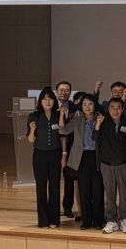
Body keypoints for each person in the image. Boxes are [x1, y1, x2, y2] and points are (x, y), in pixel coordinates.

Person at [59, 94, 104, 230]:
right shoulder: (77, 119)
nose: (87, 107)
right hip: (81, 157)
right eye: (84, 104)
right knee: (84, 190)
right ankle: (86, 220)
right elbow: (63, 130)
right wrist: (61, 115)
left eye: (90, 104)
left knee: (98, 190)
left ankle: (98, 221)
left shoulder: (101, 119)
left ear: (94, 105)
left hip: (97, 157)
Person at [93, 98, 126, 234]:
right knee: (109, 194)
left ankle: (124, 219)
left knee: (124, 194)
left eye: (118, 107)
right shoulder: (103, 122)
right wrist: (98, 125)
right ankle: (111, 220)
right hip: (106, 164)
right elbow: (94, 138)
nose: (115, 110)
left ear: (123, 109)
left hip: (123, 163)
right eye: (112, 107)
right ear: (108, 109)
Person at [26, 87, 63, 228]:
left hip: (55, 154)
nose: (47, 102)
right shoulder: (34, 116)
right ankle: (43, 220)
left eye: (50, 99)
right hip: (40, 155)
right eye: (45, 99)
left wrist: (61, 115)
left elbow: (62, 133)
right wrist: (32, 130)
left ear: (54, 101)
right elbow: (30, 140)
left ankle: (54, 220)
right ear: (40, 101)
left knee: (54, 186)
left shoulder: (58, 115)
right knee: (41, 187)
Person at [55, 81, 77, 219]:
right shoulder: (50, 106)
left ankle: (67, 208)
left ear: (70, 92)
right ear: (56, 91)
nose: (64, 93)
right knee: (53, 179)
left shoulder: (75, 107)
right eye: (61, 90)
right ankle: (53, 209)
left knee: (69, 180)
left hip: (71, 147)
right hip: (53, 147)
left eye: (67, 90)